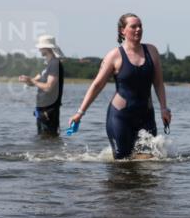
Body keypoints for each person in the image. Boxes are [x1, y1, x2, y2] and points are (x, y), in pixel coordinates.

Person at [68, 13, 172, 159]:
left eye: (140, 26)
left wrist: (164, 108)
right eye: (133, 26)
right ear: (122, 30)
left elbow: (159, 83)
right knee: (122, 163)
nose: (138, 29)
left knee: (149, 160)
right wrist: (80, 113)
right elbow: (97, 85)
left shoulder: (152, 51)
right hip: (121, 117)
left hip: (146, 116)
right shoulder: (114, 56)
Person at [19, 35, 65, 135]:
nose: (39, 49)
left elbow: (48, 87)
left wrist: (32, 81)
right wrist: (27, 80)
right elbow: (34, 82)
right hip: (42, 110)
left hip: (49, 111)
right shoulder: (47, 65)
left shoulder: (54, 64)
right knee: (43, 141)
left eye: (41, 47)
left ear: (47, 48)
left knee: (48, 137)